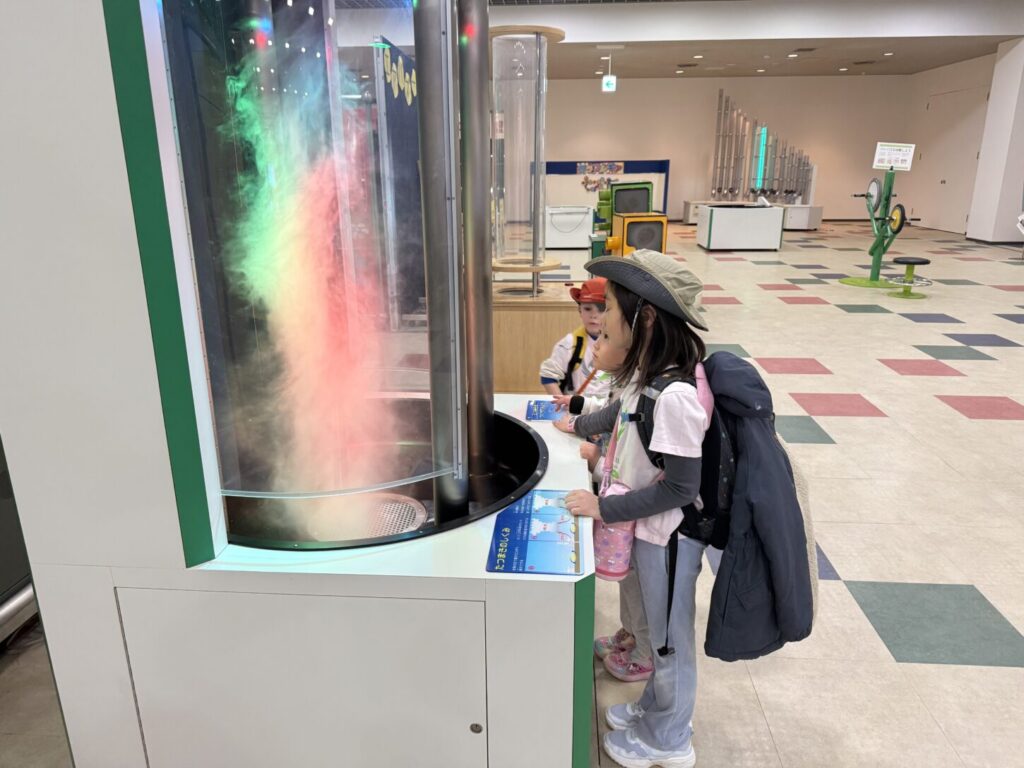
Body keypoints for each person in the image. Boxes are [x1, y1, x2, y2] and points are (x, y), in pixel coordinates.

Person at [564, 250, 711, 768]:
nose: (601, 320)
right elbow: (618, 415)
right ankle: (653, 709)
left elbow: (681, 488)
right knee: (656, 629)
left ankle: (669, 739)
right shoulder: (643, 378)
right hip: (647, 532)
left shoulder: (674, 397)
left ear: (645, 319)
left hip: (668, 539)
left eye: (610, 308)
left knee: (669, 642)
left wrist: (605, 508)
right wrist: (576, 424)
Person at [539, 277, 612, 399]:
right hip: (577, 408)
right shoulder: (569, 344)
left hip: (610, 408)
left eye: (601, 309)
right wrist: (562, 403)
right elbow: (548, 376)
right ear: (579, 310)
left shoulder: (623, 344)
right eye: (587, 309)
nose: (593, 315)